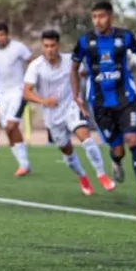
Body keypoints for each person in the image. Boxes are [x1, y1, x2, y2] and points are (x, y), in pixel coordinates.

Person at [71, 1, 136, 212]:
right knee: (118, 149)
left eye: (102, 16)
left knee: (134, 139)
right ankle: (116, 161)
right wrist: (76, 95)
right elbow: (73, 68)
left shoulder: (125, 37)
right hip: (100, 104)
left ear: (111, 17)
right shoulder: (85, 42)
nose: (98, 21)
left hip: (125, 98)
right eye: (94, 17)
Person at [23, 30, 115, 196]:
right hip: (52, 117)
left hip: (71, 107)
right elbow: (26, 92)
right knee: (67, 150)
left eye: (52, 45)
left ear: (58, 45)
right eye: (46, 46)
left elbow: (85, 71)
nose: (49, 49)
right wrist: (44, 101)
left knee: (86, 139)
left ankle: (102, 175)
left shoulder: (69, 61)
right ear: (42, 47)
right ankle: (83, 177)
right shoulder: (35, 66)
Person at [0, 22, 33, 176]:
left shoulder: (18, 48)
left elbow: (32, 61)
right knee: (8, 128)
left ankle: (24, 165)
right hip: (0, 95)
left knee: (12, 126)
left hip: (17, 92)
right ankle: (24, 165)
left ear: (7, 35)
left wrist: (30, 83)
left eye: (2, 35)